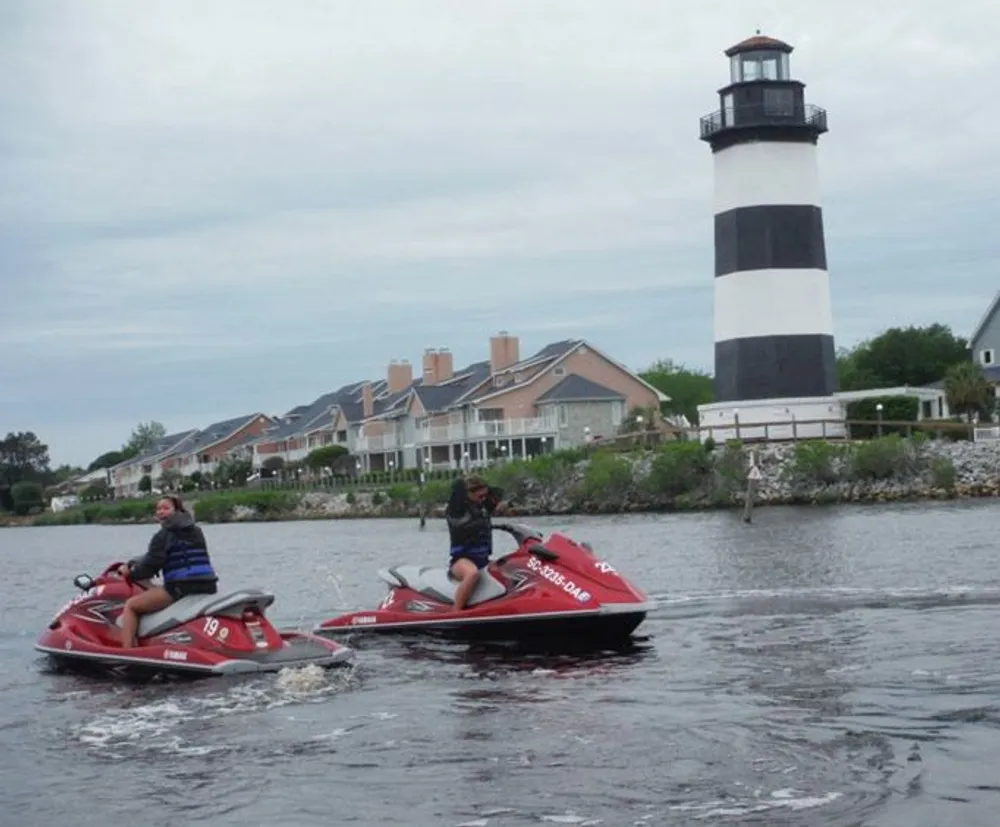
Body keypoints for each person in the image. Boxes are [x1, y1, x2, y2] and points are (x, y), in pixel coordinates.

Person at [117, 495, 218, 648]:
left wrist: (130, 573)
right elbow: (166, 554)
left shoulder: (162, 535)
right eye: (158, 509)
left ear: (177, 510)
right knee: (157, 590)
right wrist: (133, 562)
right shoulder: (196, 530)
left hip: (181, 588)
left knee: (131, 606)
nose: (161, 512)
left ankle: (127, 652)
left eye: (166, 508)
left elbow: (149, 567)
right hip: (208, 586)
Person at [445, 475, 505, 611]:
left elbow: (499, 492)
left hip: (483, 559)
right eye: (480, 496)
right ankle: (456, 612)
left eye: (485, 496)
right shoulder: (457, 509)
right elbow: (457, 487)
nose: (483, 499)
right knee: (472, 574)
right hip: (461, 560)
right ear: (468, 493)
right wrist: (467, 482)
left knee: (509, 567)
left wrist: (483, 487)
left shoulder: (482, 508)